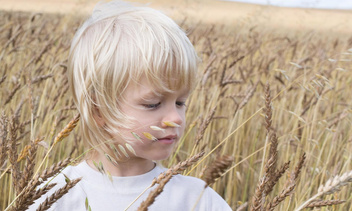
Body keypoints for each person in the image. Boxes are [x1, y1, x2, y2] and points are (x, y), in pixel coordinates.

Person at [29, 1, 232, 210]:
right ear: (98, 111)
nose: (176, 118)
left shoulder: (197, 199)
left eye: (180, 102)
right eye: (153, 104)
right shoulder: (55, 196)